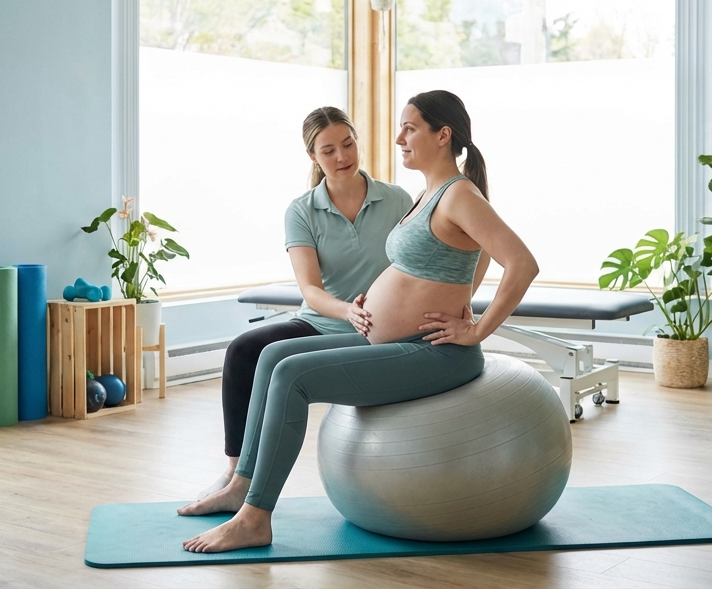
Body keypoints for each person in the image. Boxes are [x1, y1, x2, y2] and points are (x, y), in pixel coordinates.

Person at [178, 90, 538, 553]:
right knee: (270, 355)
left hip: (437, 354)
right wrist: (403, 295)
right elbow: (451, 258)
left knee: (292, 375)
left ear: (442, 135)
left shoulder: (458, 194)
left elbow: (521, 262)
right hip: (399, 339)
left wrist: (474, 326)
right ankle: (240, 485)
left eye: (409, 128)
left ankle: (254, 519)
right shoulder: (432, 192)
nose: (398, 138)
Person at [193, 106, 414, 500]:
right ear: (313, 157)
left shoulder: (397, 200)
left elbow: (416, 264)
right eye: (328, 151)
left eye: (348, 144)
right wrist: (347, 309)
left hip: (382, 328)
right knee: (244, 351)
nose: (342, 157)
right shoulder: (301, 210)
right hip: (323, 321)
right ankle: (233, 472)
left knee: (281, 362)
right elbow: (310, 290)